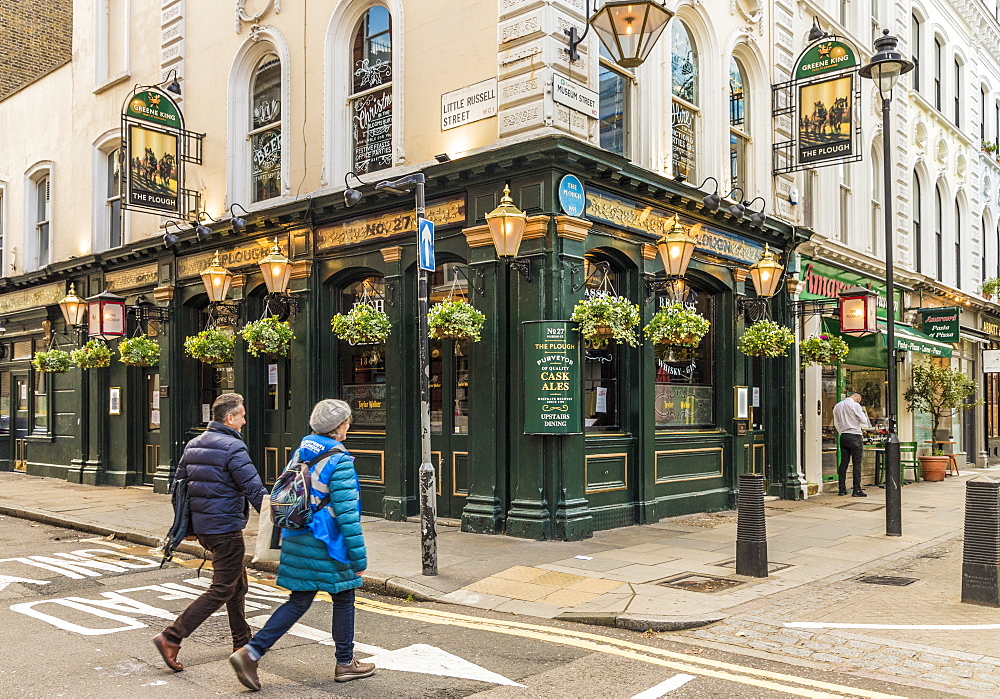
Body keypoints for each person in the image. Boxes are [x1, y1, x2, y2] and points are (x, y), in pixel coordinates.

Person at [229, 399, 373, 691]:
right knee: (344, 596)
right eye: (346, 422)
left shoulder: (302, 451)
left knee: (299, 600)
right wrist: (358, 557)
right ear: (338, 427)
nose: (348, 426)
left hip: (295, 537)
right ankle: (345, 662)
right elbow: (347, 514)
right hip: (327, 542)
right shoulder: (340, 459)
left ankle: (251, 652)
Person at [153, 392, 268, 672]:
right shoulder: (232, 447)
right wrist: (277, 517)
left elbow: (179, 490)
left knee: (236, 585)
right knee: (221, 588)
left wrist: (189, 528)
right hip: (226, 529)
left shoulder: (194, 444)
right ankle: (171, 636)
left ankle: (242, 641)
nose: (244, 418)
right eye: (241, 414)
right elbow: (253, 489)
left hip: (207, 529)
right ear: (230, 418)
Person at [833, 392, 871, 497]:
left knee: (844, 463)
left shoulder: (837, 406)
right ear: (857, 398)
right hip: (855, 435)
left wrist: (842, 431)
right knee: (857, 464)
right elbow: (864, 420)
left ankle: (841, 489)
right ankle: (857, 490)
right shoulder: (855, 405)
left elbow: (836, 423)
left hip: (844, 436)